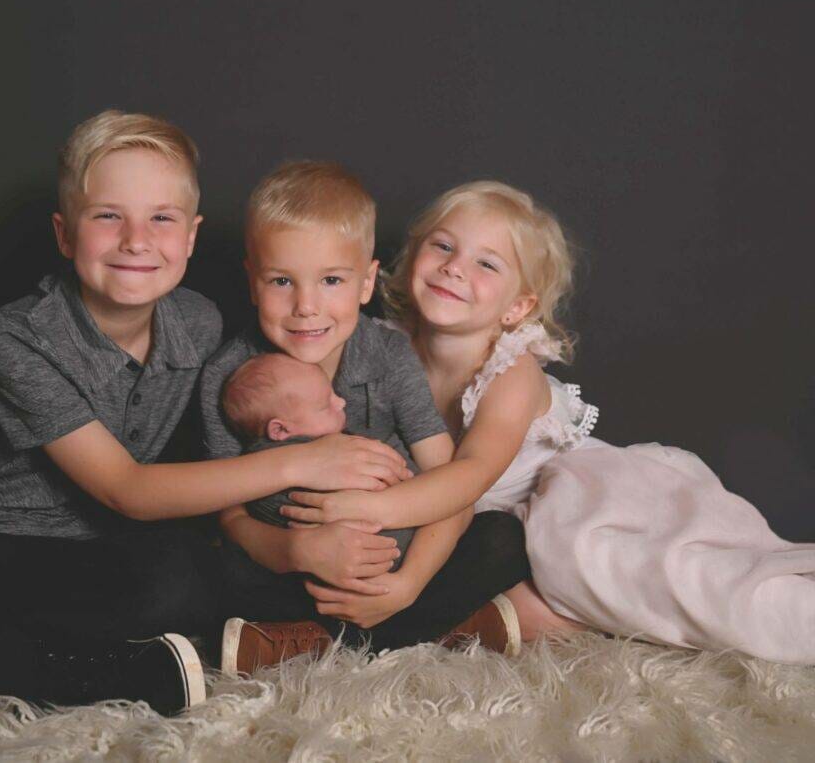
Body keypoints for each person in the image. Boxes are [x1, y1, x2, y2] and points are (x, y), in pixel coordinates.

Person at [0, 112, 412, 718]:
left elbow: (238, 444)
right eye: (108, 216)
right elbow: (129, 491)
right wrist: (303, 458)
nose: (136, 240)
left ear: (191, 238)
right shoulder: (23, 337)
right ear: (65, 235)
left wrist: (325, 499)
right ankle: (84, 673)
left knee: (183, 569)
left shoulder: (200, 324)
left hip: (104, 558)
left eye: (161, 219)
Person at [280, 180, 815, 665]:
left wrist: (374, 508)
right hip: (473, 522)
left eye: (487, 264)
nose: (455, 268)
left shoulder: (512, 371)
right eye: (442, 246)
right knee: (519, 601)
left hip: (565, 496)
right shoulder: (382, 348)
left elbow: (472, 474)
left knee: (634, 572)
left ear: (518, 307)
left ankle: (795, 617)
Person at [201, 162, 532, 675]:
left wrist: (407, 585)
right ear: (252, 280)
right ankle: (438, 632)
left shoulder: (387, 356)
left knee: (503, 540)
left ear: (366, 282)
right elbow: (229, 517)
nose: (306, 307)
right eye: (282, 281)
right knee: (199, 561)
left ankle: (309, 643)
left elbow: (455, 490)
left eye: (332, 280)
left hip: (395, 557)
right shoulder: (229, 373)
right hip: (295, 561)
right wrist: (297, 550)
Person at [222, 351, 414, 566]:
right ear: (280, 429)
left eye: (333, 393)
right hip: (372, 556)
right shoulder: (265, 473)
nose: (341, 402)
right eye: (325, 405)